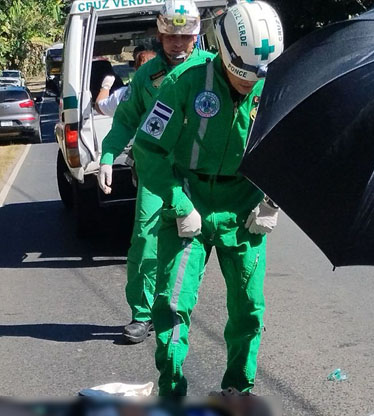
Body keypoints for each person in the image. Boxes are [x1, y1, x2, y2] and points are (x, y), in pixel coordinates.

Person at [130, 1, 284, 395]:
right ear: (224, 50)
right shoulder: (184, 81)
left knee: (249, 308)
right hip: (190, 200)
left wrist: (273, 199)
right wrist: (179, 204)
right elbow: (148, 147)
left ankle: (238, 390)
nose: (249, 84)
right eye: (241, 75)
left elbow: (294, 149)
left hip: (245, 204)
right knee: (173, 304)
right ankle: (173, 390)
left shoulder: (276, 85)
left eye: (256, 77)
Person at [96, 0, 213, 344]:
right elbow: (127, 118)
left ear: (196, 35)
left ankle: (187, 310)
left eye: (185, 36)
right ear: (160, 35)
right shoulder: (147, 76)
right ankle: (142, 315)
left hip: (200, 172)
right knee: (146, 242)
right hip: (156, 171)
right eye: (170, 36)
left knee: (210, 240)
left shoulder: (212, 68)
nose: (178, 43)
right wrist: (107, 155)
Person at [96, 51, 158, 117]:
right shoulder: (166, 92)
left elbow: (99, 107)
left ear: (136, 69)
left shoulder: (124, 95)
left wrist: (106, 87)